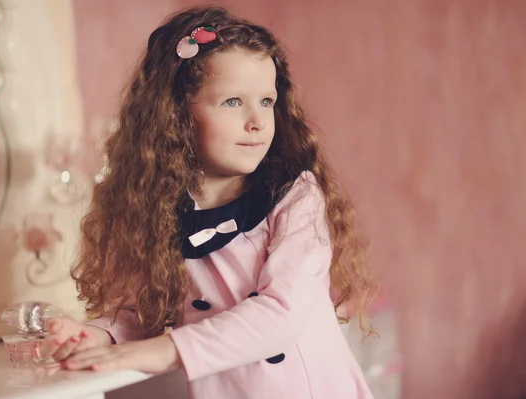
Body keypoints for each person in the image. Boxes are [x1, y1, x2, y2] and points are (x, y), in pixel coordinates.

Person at [43, 6, 378, 398]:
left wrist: (159, 352)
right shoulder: (162, 208)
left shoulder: (294, 195)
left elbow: (280, 315)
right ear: (177, 115)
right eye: (233, 102)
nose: (257, 121)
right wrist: (100, 337)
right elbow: (145, 313)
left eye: (266, 101)